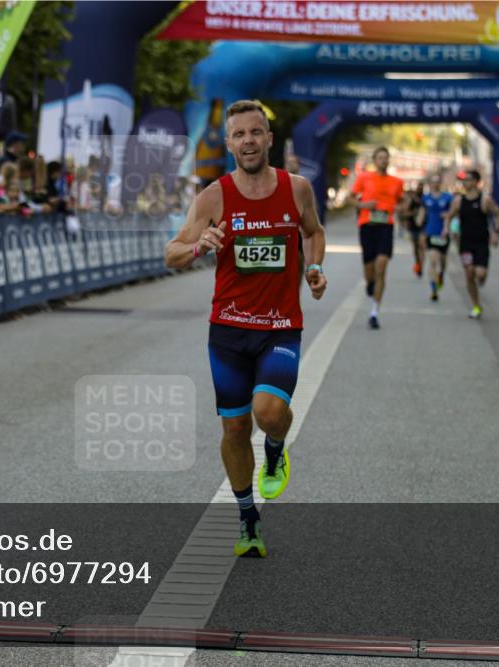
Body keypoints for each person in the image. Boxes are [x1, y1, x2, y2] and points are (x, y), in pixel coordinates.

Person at [165, 100, 327, 558]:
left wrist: (313, 267)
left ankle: (276, 448)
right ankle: (247, 517)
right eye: (239, 135)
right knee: (234, 429)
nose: (248, 141)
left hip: (279, 327)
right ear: (229, 143)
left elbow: (313, 232)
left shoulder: (296, 189)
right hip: (229, 332)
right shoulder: (214, 196)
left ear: (269, 139)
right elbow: (171, 252)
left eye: (256, 132)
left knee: (268, 411)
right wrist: (199, 244)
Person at [351, 147, 403, 329]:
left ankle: (374, 312)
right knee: (370, 270)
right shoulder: (364, 177)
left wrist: (402, 208)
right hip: (367, 226)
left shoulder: (397, 181)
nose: (383, 161)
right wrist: (364, 204)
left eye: (386, 158)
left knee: (381, 266)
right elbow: (351, 199)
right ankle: (370, 283)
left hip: (386, 227)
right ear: (375, 160)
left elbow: (401, 201)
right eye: (380, 158)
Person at [444, 170, 499, 319]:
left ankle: (482, 279)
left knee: (480, 274)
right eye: (464, 180)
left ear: (476, 182)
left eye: (469, 180)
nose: (466, 183)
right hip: (465, 243)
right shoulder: (458, 201)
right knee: (469, 273)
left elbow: (498, 214)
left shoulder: (485, 199)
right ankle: (476, 305)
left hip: (482, 242)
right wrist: (446, 228)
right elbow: (449, 216)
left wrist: (496, 232)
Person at [420, 175, 453, 301]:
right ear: (430, 184)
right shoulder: (426, 198)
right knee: (433, 260)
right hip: (430, 233)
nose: (435, 184)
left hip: (443, 234)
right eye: (433, 182)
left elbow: (453, 212)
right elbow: (422, 215)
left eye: (438, 182)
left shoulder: (447, 198)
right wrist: (420, 227)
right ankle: (433, 289)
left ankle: (441, 275)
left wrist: (448, 218)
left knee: (442, 262)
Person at [403, 182, 425, 278]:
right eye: (418, 187)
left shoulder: (425, 199)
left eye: (421, 187)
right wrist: (413, 213)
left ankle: (421, 265)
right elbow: (405, 213)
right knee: (416, 247)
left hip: (424, 226)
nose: (420, 188)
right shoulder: (411, 200)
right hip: (413, 226)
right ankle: (418, 263)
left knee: (422, 245)